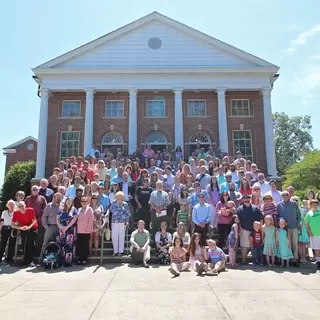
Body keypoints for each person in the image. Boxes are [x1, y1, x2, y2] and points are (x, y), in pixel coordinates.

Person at [237, 194, 263, 264]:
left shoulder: (256, 208)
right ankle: (243, 260)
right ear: (242, 199)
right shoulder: (239, 209)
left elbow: (261, 218)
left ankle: (255, 260)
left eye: (248, 198)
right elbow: (237, 220)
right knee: (244, 246)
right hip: (244, 229)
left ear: (250, 199)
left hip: (255, 230)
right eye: (244, 198)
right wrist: (240, 229)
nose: (246, 199)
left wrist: (260, 229)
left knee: (254, 246)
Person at [277, 190, 301, 263]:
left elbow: (299, 214)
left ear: (289, 196)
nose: (285, 196)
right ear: (282, 196)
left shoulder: (294, 204)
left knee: (294, 244)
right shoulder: (279, 205)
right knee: (286, 244)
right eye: (283, 195)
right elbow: (277, 216)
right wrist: (281, 221)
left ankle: (294, 259)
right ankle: (286, 259)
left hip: (294, 226)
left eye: (286, 195)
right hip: (284, 229)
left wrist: (298, 223)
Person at [12, 201, 38, 267]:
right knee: (24, 244)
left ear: (25, 205)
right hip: (23, 228)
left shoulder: (30, 210)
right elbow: (12, 225)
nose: (21, 208)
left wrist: (28, 227)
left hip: (32, 228)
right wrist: (20, 227)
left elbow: (34, 220)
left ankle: (30, 261)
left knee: (30, 244)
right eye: (19, 206)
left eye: (22, 206)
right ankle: (25, 261)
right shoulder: (16, 213)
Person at [39, 192, 62, 263]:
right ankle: (41, 259)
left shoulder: (62, 206)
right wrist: (46, 226)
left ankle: (58, 260)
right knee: (46, 243)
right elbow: (44, 216)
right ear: (54, 198)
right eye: (57, 197)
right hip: (50, 226)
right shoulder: (49, 205)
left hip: (59, 227)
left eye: (59, 198)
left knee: (59, 243)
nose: (58, 199)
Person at [25, 185, 47, 257]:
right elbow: (25, 209)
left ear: (38, 190)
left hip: (40, 221)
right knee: (30, 238)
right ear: (31, 190)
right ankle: (30, 255)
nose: (35, 190)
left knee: (39, 238)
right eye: (33, 189)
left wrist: (40, 217)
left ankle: (38, 254)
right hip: (30, 222)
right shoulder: (28, 198)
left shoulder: (42, 198)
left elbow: (45, 209)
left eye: (36, 189)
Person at [56, 198, 78, 267]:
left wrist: (67, 227)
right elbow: (57, 219)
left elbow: (74, 219)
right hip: (62, 229)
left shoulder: (74, 209)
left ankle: (69, 262)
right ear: (65, 202)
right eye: (67, 201)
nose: (68, 203)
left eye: (70, 201)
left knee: (69, 245)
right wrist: (60, 226)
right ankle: (62, 261)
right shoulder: (61, 209)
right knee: (62, 245)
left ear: (72, 203)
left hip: (70, 229)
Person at [108, 191, 130, 256]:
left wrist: (127, 221)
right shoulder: (113, 203)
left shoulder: (125, 204)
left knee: (121, 236)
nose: (120, 199)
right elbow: (110, 211)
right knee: (114, 237)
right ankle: (115, 251)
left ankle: (120, 251)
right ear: (116, 197)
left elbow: (128, 213)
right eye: (118, 197)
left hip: (123, 222)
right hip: (114, 222)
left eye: (121, 197)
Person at [76, 197, 94, 264]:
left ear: (87, 202)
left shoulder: (89, 209)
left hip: (86, 230)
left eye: (85, 201)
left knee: (85, 245)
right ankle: (79, 258)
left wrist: (88, 228)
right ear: (80, 202)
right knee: (79, 245)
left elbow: (91, 219)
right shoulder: (79, 209)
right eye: (82, 201)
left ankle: (84, 259)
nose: (83, 202)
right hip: (79, 230)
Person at [304, 200, 320, 273]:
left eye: (316, 204)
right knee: (317, 249)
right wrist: (309, 231)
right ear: (311, 205)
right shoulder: (309, 213)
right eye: (313, 204)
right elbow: (306, 224)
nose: (315, 205)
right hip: (314, 234)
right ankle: (318, 262)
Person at [0, 200, 16, 265]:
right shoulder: (4, 212)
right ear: (7, 206)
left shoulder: (16, 212)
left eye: (12, 204)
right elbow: (1, 221)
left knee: (12, 244)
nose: (11, 206)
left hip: (13, 229)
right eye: (10, 204)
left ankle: (9, 259)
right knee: (2, 244)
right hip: (5, 229)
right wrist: (0, 229)